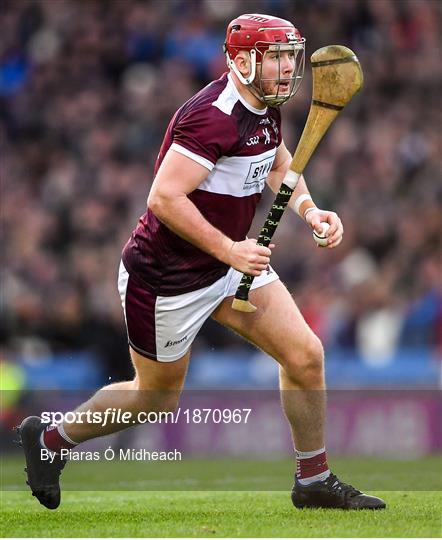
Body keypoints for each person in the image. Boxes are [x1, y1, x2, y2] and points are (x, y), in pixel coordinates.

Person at [18, 13, 385, 511]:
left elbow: (279, 165)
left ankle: (313, 477)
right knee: (155, 399)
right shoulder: (211, 115)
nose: (284, 69)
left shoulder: (267, 105)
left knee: (305, 355)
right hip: (167, 279)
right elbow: (164, 198)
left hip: (227, 261)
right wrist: (231, 249)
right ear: (240, 61)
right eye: (273, 57)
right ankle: (51, 439)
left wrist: (310, 211)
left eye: (287, 58)